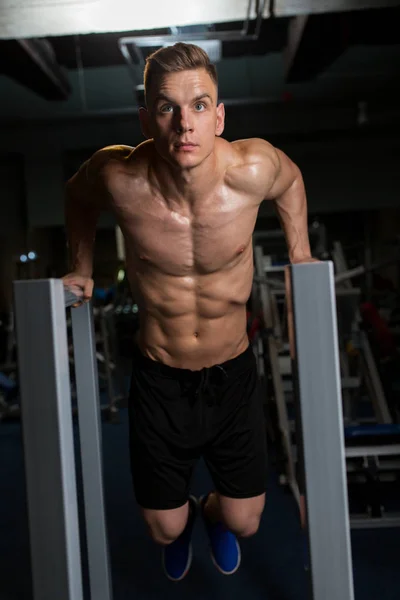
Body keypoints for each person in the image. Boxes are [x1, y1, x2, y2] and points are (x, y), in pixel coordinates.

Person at [63, 42, 316, 582]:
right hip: (159, 376)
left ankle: (213, 514)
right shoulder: (119, 177)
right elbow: (76, 196)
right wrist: (80, 266)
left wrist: (300, 258)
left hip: (233, 373)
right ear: (146, 119)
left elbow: (291, 182)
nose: (185, 124)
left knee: (245, 521)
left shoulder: (253, 167)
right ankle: (182, 523)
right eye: (167, 108)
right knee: (164, 528)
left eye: (200, 105)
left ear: (219, 115)